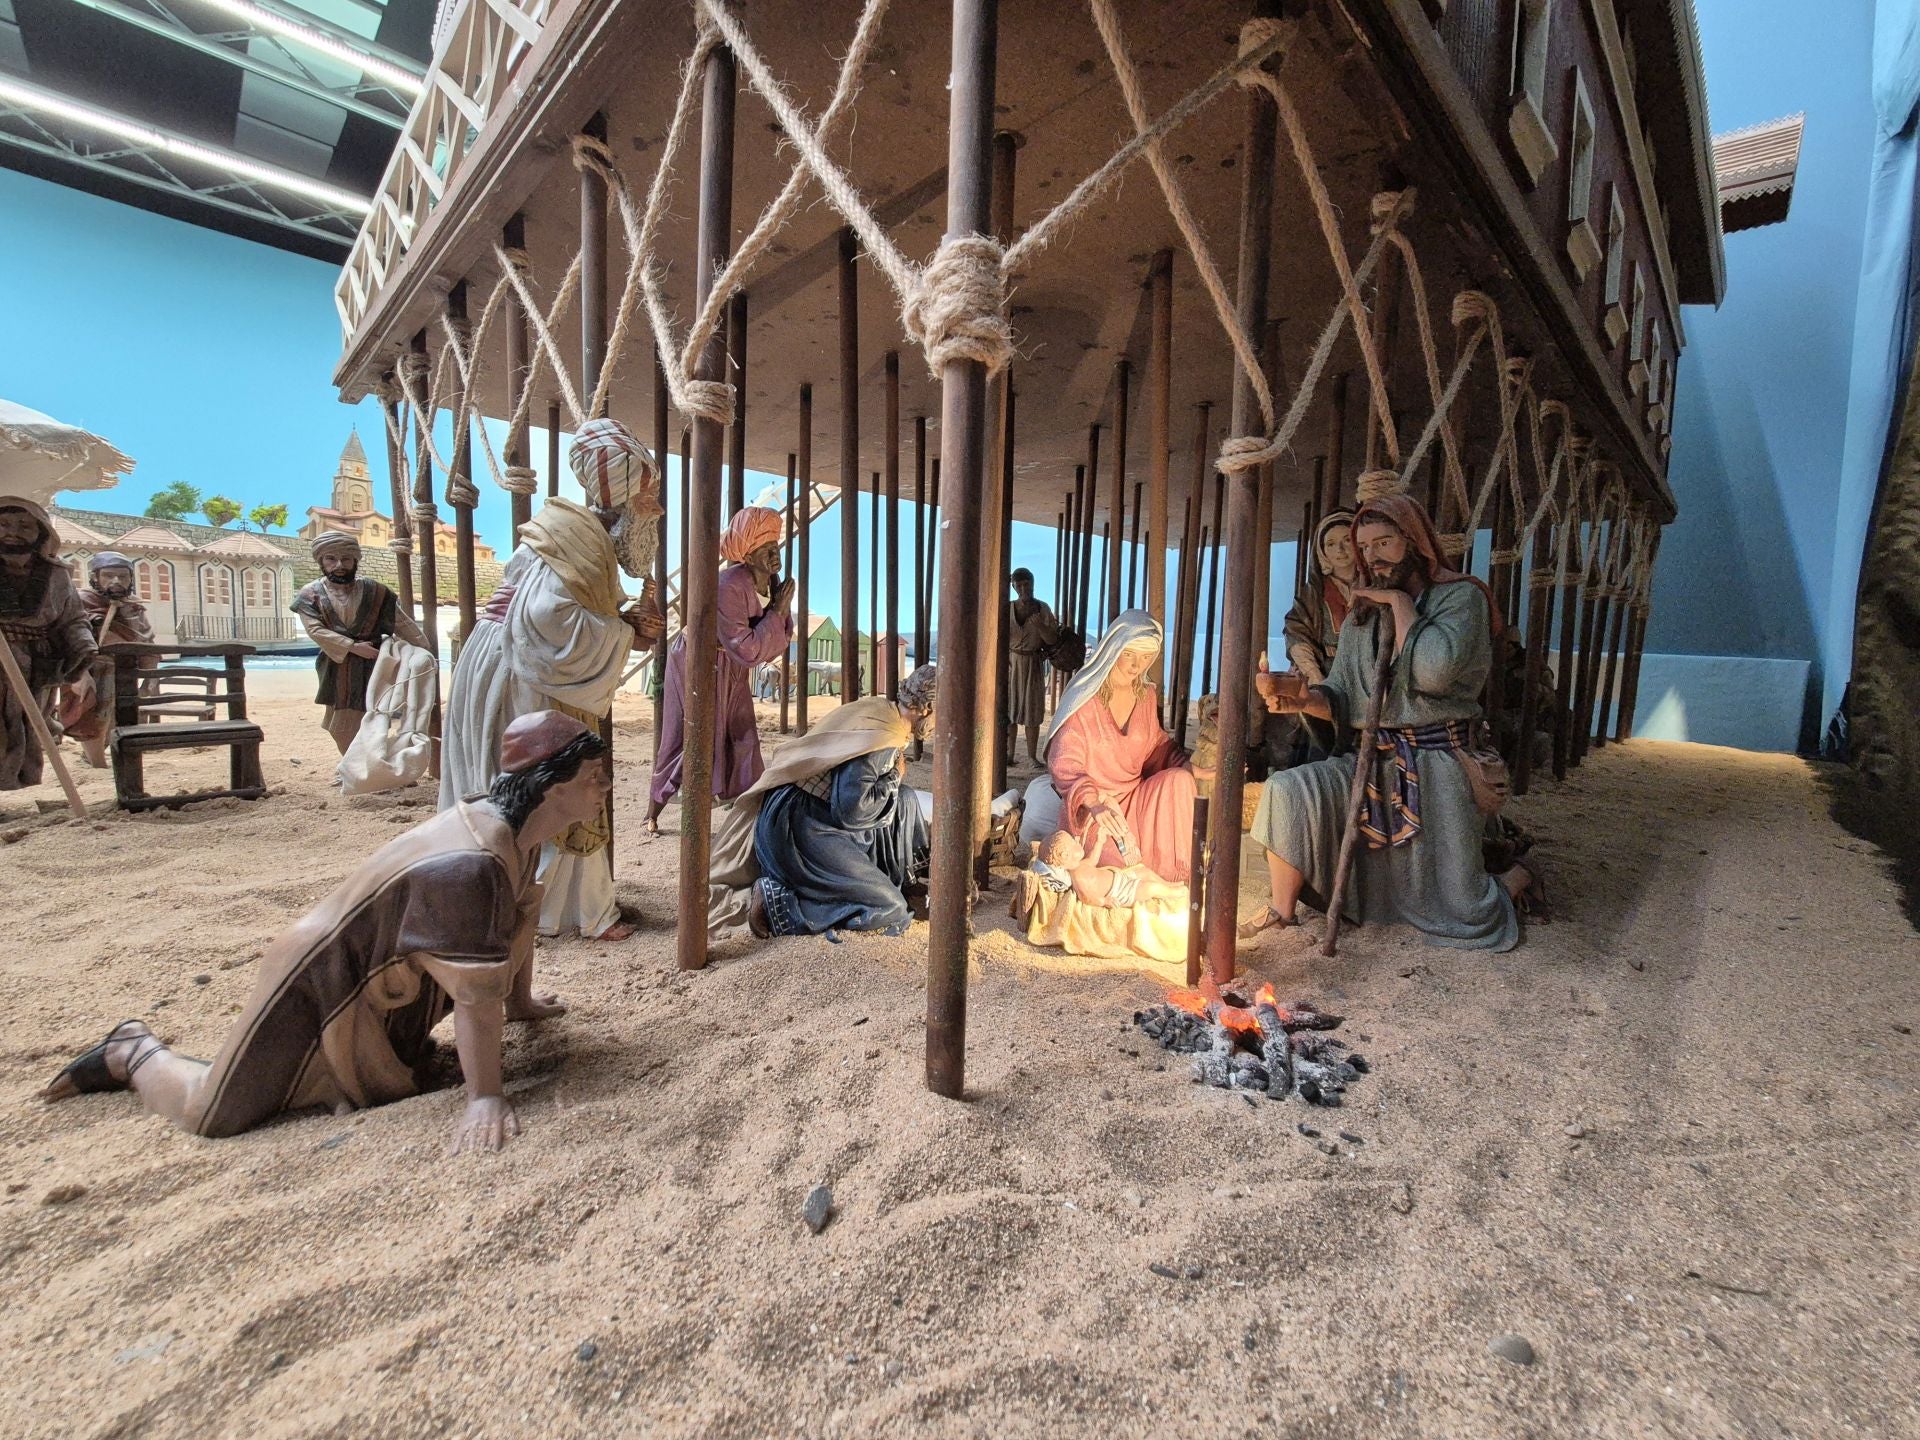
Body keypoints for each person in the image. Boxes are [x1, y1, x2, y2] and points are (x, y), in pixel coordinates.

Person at [40, 711, 608, 1155]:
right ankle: (131, 1050)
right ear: (549, 785)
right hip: (319, 980)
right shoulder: (474, 863)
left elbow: (515, 924)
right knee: (211, 1113)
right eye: (593, 777)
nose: (604, 786)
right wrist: (484, 1097)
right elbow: (474, 997)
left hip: (386, 984)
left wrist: (524, 1003)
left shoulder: (521, 833)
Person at [1246, 491, 1539, 951]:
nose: (1371, 556)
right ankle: (1283, 912)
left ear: (1415, 540)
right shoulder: (1363, 616)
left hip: (1439, 763)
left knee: (1467, 911)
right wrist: (1302, 698)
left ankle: (1517, 876)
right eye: (1365, 548)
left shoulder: (1460, 598)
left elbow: (1434, 674)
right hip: (1374, 758)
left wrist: (1402, 607)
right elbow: (1343, 696)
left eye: (1383, 542)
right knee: (1287, 790)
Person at [440, 418, 665, 941]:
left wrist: (623, 622)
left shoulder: (582, 538)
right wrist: (622, 631)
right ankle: (557, 910)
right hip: (526, 671)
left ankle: (567, 906)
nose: (654, 508)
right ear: (624, 494)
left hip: (522, 664)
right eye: (648, 495)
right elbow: (546, 619)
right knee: (556, 782)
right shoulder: (576, 537)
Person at [706, 664, 937, 940]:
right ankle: (776, 904)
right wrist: (893, 778)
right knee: (890, 910)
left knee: (907, 798)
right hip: (798, 829)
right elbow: (852, 812)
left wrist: (894, 783)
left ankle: (905, 880)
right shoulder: (883, 738)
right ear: (928, 707)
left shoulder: (882, 710)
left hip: (799, 809)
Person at [646, 505, 795, 833]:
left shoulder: (771, 582)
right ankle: (653, 811)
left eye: (776, 547)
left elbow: (780, 636)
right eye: (766, 550)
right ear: (748, 555)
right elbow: (750, 647)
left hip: (731, 666)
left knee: (742, 733)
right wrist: (778, 610)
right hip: (698, 663)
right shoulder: (729, 585)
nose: (775, 555)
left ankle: (746, 811)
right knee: (690, 733)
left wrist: (777, 611)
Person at [1041, 609, 1202, 883]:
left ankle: (1177, 877)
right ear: (1114, 648)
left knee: (1181, 781)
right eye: (1129, 654)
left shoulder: (1146, 696)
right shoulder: (1085, 698)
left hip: (1137, 801)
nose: (1136, 665)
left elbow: (1156, 747)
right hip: (1097, 810)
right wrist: (1094, 803)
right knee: (1117, 866)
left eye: (1146, 657)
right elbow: (1064, 763)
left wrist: (1189, 765)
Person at [290, 533, 429, 755]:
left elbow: (402, 623)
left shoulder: (376, 591)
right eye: (331, 559)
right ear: (321, 561)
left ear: (355, 560)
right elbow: (315, 630)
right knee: (339, 723)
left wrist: (425, 650)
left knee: (375, 716)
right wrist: (352, 647)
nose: (339, 565)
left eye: (346, 559)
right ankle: (354, 764)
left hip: (375, 666)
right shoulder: (310, 594)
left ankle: (370, 766)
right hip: (337, 667)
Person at [0, 498, 95, 790]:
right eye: (3, 525)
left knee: (31, 726)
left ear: (40, 532)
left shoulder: (56, 575)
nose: (11, 532)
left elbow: (72, 618)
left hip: (36, 665)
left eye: (24, 526)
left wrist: (83, 648)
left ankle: (20, 787)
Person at [57, 550, 155, 768]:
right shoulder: (79, 602)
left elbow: (148, 644)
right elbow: (68, 641)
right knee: (92, 716)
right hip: (90, 670)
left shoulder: (134, 608)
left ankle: (106, 758)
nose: (116, 581)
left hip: (124, 672)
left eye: (123, 576)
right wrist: (78, 675)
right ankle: (97, 764)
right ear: (96, 577)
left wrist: (150, 680)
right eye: (109, 575)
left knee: (120, 717)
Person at [1278, 508, 1356, 761]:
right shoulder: (1313, 594)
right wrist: (1316, 678)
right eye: (1331, 544)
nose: (1341, 550)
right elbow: (1297, 633)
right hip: (1327, 673)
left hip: (1366, 676)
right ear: (1322, 552)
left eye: (1347, 540)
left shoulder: (1377, 588)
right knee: (1321, 748)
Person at [1005, 567, 1060, 769]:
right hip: (1011, 664)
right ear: (1013, 586)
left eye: (1026, 584)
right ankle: (1009, 754)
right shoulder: (1008, 607)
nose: (1022, 588)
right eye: (1018, 585)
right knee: (1009, 710)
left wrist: (1041, 627)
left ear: (1033, 584)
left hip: (1033, 663)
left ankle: (1031, 756)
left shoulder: (1042, 608)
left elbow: (1053, 639)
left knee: (1032, 713)